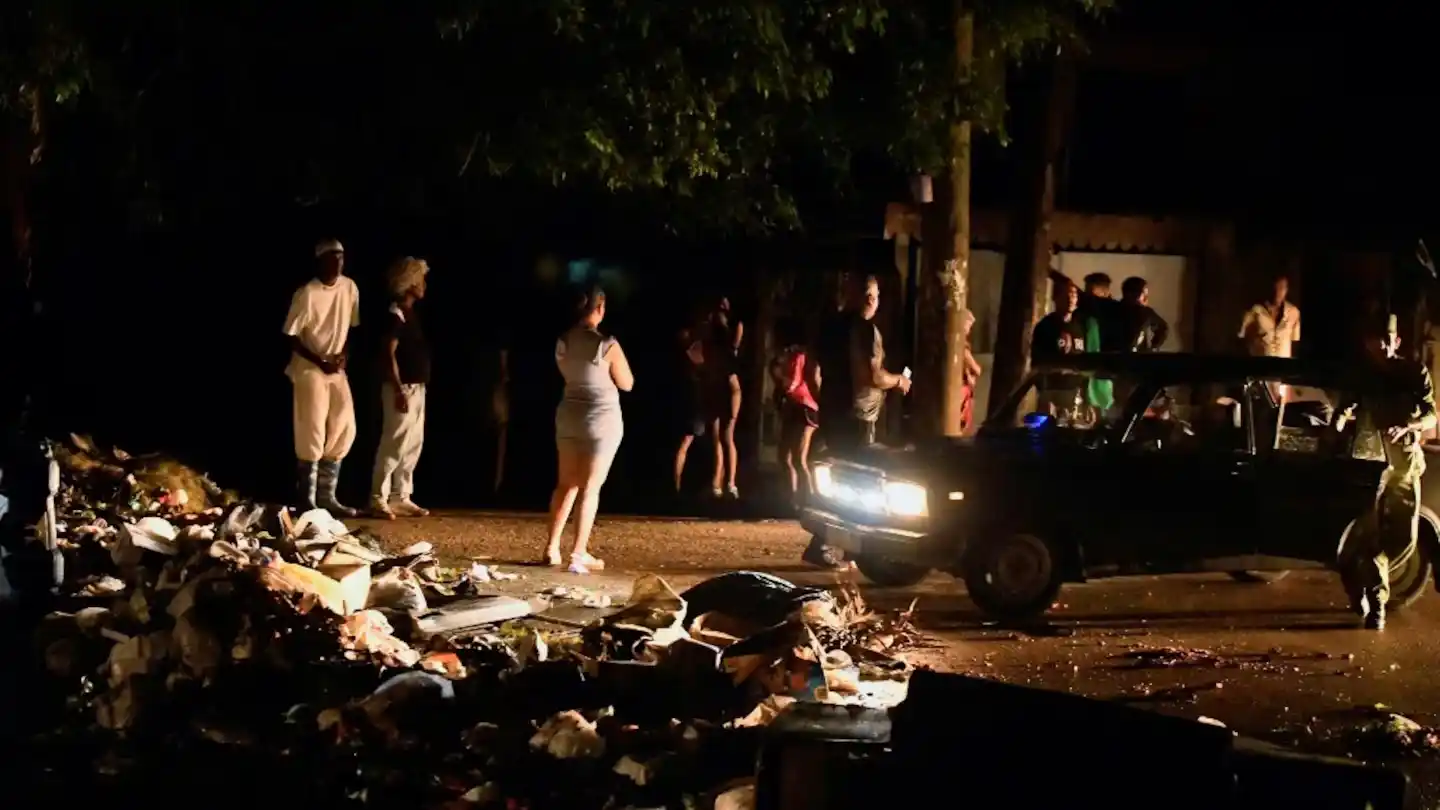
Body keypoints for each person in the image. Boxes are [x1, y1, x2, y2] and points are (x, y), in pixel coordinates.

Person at [1336, 314, 1437, 631]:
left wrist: (1410, 424)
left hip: (1404, 464)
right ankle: (1375, 605)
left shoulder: (1413, 372)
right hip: (1370, 465)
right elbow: (1345, 407)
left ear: (1397, 341)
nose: (1381, 345)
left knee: (1404, 540)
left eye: (1387, 338)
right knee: (1366, 535)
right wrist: (1338, 421)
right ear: (1367, 343)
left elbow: (1432, 414)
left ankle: (1360, 575)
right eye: (1376, 339)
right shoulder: (1362, 376)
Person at [543, 286, 634, 574]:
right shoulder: (606, 344)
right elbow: (627, 383)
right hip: (601, 420)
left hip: (569, 415)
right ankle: (578, 553)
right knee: (590, 488)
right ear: (600, 309)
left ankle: (551, 547)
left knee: (565, 484)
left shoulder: (563, 341)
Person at [283, 239, 360, 516]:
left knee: (344, 425)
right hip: (309, 366)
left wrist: (343, 357)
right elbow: (291, 336)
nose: (339, 263)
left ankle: (328, 496)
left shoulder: (349, 287)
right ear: (321, 261)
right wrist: (319, 360)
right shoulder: (307, 293)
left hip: (334, 367)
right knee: (312, 427)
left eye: (341, 257)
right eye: (332, 258)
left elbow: (350, 328)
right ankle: (307, 499)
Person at [370, 257, 432, 519]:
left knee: (412, 443)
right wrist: (397, 388)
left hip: (416, 386)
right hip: (402, 386)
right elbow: (388, 351)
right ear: (409, 283)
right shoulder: (395, 313)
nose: (424, 285)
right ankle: (378, 497)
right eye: (421, 280)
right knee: (394, 442)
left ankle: (401, 495)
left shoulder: (410, 312)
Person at [845, 275, 911, 448]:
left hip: (840, 412)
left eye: (875, 296)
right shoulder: (866, 330)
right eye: (867, 294)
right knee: (861, 469)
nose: (872, 301)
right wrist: (899, 380)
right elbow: (874, 377)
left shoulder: (841, 326)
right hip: (862, 415)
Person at [771, 317, 820, 503]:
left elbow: (792, 384)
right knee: (784, 456)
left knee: (799, 459)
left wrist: (777, 375)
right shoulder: (788, 356)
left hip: (804, 408)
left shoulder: (797, 356)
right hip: (795, 407)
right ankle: (791, 500)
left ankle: (811, 500)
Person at [702, 295, 743, 498]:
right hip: (717, 387)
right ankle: (716, 483)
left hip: (729, 388)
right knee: (716, 437)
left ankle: (731, 484)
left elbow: (735, 341)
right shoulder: (709, 336)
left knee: (726, 437)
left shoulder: (730, 334)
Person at [1077, 272, 1125, 352]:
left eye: (1089, 292)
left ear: (1104, 291)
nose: (1086, 295)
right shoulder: (1120, 309)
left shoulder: (1109, 308)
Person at [1119, 276, 1169, 352]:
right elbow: (1163, 328)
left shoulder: (1145, 312)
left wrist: (1154, 347)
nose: (1146, 298)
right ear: (1132, 294)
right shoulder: (1144, 312)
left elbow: (1162, 328)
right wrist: (1153, 348)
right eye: (1144, 294)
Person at [959, 309, 982, 434]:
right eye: (968, 326)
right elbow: (976, 369)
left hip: (963, 387)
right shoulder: (962, 346)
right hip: (963, 389)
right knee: (962, 421)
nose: (969, 330)